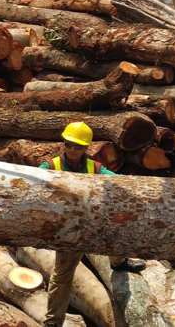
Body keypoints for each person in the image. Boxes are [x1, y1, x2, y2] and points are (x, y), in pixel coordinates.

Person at [37, 122, 144, 327]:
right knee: (62, 276)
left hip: (93, 221)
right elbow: (34, 183)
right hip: (67, 229)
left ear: (86, 148)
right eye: (69, 144)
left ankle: (118, 262)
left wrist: (131, 183)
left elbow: (115, 181)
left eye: (78, 146)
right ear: (64, 144)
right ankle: (52, 322)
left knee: (115, 229)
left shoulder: (93, 167)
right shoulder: (50, 167)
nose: (73, 150)